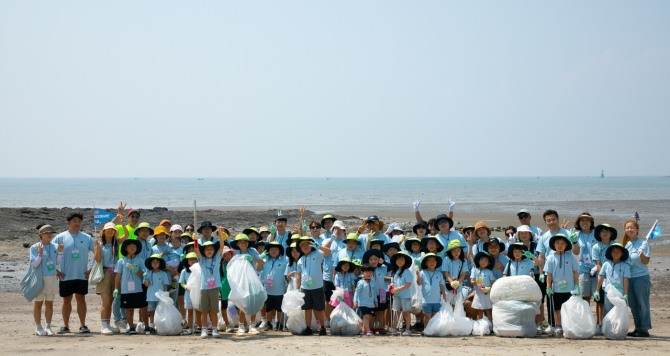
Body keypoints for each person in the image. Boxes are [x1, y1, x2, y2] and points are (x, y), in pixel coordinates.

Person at [53, 211, 95, 334]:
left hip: (82, 275)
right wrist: (56, 270)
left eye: (79, 221)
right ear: (68, 223)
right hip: (66, 275)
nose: (77, 223)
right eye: (74, 221)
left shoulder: (87, 238)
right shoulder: (60, 237)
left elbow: (97, 253)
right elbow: (50, 253)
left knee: (81, 298)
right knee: (66, 300)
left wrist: (91, 270)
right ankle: (65, 326)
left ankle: (83, 325)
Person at [30, 224, 63, 336]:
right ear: (40, 235)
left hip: (52, 278)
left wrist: (60, 252)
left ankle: (48, 327)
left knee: (50, 303)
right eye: (46, 233)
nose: (49, 234)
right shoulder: (35, 247)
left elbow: (57, 263)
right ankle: (38, 327)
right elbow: (34, 264)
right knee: (38, 303)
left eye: (51, 232)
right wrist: (40, 254)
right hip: (40, 278)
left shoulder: (55, 246)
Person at [296, 236, 332, 335]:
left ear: (311, 245)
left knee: (319, 309)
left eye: (307, 244)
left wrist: (319, 246)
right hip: (305, 288)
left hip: (318, 287)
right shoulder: (301, 259)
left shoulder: (317, 253)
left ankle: (322, 327)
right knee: (307, 309)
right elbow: (298, 275)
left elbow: (328, 252)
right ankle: (308, 327)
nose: (305, 246)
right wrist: (296, 288)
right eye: (302, 245)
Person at [544, 233, 579, 337]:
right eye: (558, 243)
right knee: (557, 309)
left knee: (569, 308)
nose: (560, 245)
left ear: (566, 245)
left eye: (562, 243)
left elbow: (575, 272)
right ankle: (558, 326)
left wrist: (577, 286)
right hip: (556, 289)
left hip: (570, 288)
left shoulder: (570, 256)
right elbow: (549, 274)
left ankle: (568, 326)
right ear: (554, 245)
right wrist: (548, 287)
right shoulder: (550, 258)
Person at [622, 219, 652, 337]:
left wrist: (641, 254)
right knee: (633, 304)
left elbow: (646, 262)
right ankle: (637, 328)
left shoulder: (644, 244)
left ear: (637, 230)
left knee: (642, 304)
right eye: (627, 228)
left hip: (641, 277)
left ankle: (644, 329)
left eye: (632, 227)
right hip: (628, 278)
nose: (630, 229)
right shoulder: (626, 245)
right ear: (625, 230)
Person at [114, 239, 147, 334]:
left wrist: (137, 271)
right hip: (126, 290)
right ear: (126, 248)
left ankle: (146, 326)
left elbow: (144, 274)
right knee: (128, 308)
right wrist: (116, 288)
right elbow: (118, 276)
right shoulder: (121, 261)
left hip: (138, 288)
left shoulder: (140, 260)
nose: (132, 248)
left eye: (134, 246)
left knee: (142, 307)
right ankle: (131, 327)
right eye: (130, 246)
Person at [193, 239, 225, 339]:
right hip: (204, 288)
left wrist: (221, 237)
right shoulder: (202, 260)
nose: (209, 251)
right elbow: (196, 249)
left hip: (215, 288)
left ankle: (215, 329)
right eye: (207, 249)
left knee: (214, 310)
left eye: (211, 249)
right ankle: (204, 329)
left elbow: (221, 247)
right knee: (204, 311)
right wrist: (195, 240)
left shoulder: (216, 259)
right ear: (204, 251)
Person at [95, 222, 121, 334]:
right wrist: (97, 248)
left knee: (111, 301)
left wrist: (120, 220)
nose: (110, 231)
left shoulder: (117, 244)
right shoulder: (100, 244)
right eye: (108, 229)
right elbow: (98, 260)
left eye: (112, 230)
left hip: (115, 274)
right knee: (105, 302)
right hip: (104, 274)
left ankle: (108, 325)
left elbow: (124, 235)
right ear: (104, 231)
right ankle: (104, 326)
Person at [591, 223, 617, 333]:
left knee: (612, 301)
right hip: (601, 277)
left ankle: (612, 324)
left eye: (607, 231)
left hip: (614, 277)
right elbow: (598, 263)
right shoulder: (596, 247)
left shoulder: (615, 245)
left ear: (611, 233)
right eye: (602, 231)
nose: (605, 233)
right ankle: (599, 324)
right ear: (599, 234)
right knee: (599, 301)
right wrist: (603, 276)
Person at [259, 241, 288, 331]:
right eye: (271, 249)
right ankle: (268, 323)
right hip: (267, 289)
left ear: (280, 250)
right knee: (268, 308)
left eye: (276, 249)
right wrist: (260, 258)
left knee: (279, 308)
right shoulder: (264, 260)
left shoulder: (285, 260)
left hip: (280, 289)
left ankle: (278, 323)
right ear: (268, 250)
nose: (274, 251)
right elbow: (257, 268)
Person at [595, 243, 630, 316]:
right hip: (608, 293)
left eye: (618, 252)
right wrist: (597, 291)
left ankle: (618, 327)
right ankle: (606, 327)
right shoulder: (606, 264)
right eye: (614, 251)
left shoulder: (625, 266)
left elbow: (626, 280)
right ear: (610, 253)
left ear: (622, 253)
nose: (616, 253)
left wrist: (626, 293)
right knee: (607, 313)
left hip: (620, 293)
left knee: (619, 314)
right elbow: (601, 277)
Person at [571, 213, 597, 302]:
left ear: (591, 222)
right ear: (578, 222)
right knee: (584, 297)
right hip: (583, 268)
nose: (584, 222)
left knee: (598, 297)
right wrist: (574, 242)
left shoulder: (597, 233)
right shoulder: (576, 234)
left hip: (597, 267)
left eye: (587, 220)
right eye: (582, 220)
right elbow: (576, 252)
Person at [417, 253, 446, 330]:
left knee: (435, 317)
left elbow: (442, 285)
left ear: (436, 263)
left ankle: (433, 330)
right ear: (426, 263)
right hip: (426, 300)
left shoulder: (438, 273)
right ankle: (426, 329)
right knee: (427, 316)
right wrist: (417, 276)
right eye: (429, 261)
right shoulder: (422, 272)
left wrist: (444, 294)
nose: (432, 262)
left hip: (436, 299)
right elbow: (419, 283)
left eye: (434, 261)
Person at [143, 254, 170, 335]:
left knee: (160, 312)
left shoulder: (163, 274)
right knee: (151, 312)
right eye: (153, 262)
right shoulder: (148, 273)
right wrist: (146, 278)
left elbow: (165, 285)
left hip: (160, 297)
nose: (155, 264)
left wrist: (165, 295)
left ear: (160, 263)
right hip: (151, 296)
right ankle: (151, 326)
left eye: (157, 262)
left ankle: (159, 327)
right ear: (150, 264)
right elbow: (146, 285)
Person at [363, 249, 388, 334]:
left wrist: (383, 262)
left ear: (379, 260)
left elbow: (391, 266)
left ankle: (381, 327)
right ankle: (371, 327)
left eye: (376, 259)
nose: (373, 261)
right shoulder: (367, 271)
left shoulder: (383, 268)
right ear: (368, 261)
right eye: (371, 259)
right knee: (371, 312)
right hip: (371, 294)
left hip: (382, 293)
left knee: (381, 311)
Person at [389, 251, 413, 336]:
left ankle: (407, 329)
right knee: (396, 311)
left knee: (406, 312)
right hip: (396, 295)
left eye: (402, 259)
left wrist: (398, 289)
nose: (400, 261)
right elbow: (393, 281)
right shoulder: (394, 271)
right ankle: (394, 328)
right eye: (398, 259)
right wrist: (391, 286)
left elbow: (408, 283)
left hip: (405, 295)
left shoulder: (406, 271)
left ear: (405, 261)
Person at [354, 264, 378, 337]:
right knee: (366, 316)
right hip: (363, 303)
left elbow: (374, 293)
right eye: (366, 272)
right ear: (362, 273)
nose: (368, 274)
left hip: (371, 303)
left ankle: (364, 330)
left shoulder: (373, 282)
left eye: (370, 272)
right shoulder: (360, 282)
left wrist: (376, 301)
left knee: (370, 316)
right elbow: (356, 293)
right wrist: (355, 301)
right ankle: (368, 330)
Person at [470, 252, 495, 321]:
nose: (483, 262)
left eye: (486, 261)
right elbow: (471, 281)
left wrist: (488, 289)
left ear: (488, 263)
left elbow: (493, 283)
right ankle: (479, 327)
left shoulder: (489, 272)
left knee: (488, 311)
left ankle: (491, 327)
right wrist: (476, 282)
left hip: (487, 294)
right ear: (478, 261)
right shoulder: (474, 270)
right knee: (479, 312)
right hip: (478, 294)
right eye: (482, 260)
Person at [442, 240, 467, 305]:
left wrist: (458, 282)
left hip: (459, 287)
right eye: (454, 251)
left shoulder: (463, 261)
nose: (456, 253)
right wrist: (452, 282)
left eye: (458, 250)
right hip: (448, 286)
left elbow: (463, 274)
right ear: (450, 252)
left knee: (457, 305)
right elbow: (446, 273)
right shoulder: (446, 259)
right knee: (447, 303)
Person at [178, 252, 198, 335]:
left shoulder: (199, 269)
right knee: (189, 311)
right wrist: (186, 286)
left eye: (194, 259)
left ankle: (199, 327)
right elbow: (181, 282)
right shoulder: (184, 271)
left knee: (199, 311)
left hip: (197, 293)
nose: (192, 261)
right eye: (190, 260)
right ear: (187, 261)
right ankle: (190, 328)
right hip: (188, 293)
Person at [218, 246, 235, 333]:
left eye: (229, 254)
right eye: (225, 255)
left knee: (239, 306)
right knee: (224, 306)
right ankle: (227, 324)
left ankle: (242, 324)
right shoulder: (220, 266)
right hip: (224, 288)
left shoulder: (235, 264)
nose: (227, 256)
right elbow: (219, 278)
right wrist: (219, 290)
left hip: (234, 287)